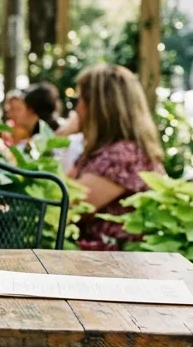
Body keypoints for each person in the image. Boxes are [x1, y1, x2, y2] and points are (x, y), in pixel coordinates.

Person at [68, 64, 166, 251]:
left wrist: (58, 139)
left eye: (81, 100)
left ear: (98, 108)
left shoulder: (122, 157)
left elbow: (63, 208)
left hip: (112, 268)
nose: (77, 107)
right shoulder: (109, 151)